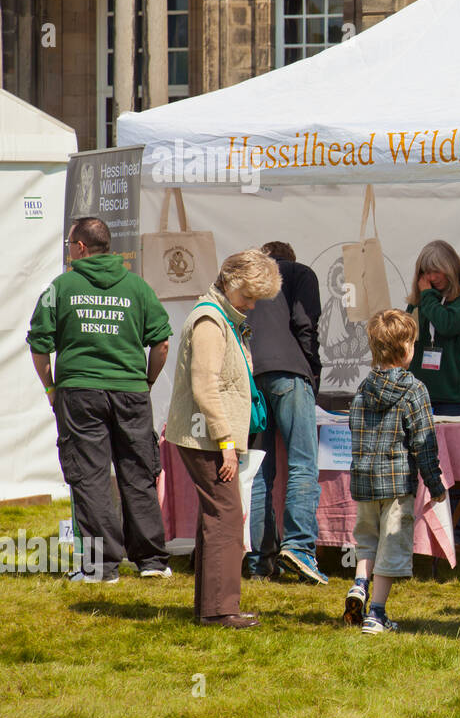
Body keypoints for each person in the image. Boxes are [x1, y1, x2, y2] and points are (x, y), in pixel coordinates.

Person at [27, 217, 173, 583]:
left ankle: (101, 566)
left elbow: (39, 345)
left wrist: (51, 389)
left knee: (89, 476)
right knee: (138, 473)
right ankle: (152, 561)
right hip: (131, 391)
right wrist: (147, 381)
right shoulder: (138, 288)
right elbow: (162, 342)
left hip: (79, 392)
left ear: (79, 247)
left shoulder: (61, 286)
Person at [166, 250, 282, 629]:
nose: (251, 305)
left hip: (207, 435)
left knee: (216, 516)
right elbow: (205, 387)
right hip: (208, 437)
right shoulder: (210, 321)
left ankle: (210, 608)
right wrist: (227, 443)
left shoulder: (220, 317)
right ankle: (220, 610)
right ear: (231, 283)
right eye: (248, 296)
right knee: (226, 517)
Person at [345, 309, 446, 634]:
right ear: (405, 349)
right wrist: (435, 482)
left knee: (367, 540)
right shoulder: (414, 390)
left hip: (363, 480)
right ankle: (376, 613)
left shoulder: (362, 389)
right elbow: (424, 443)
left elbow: (354, 431)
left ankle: (359, 583)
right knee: (391, 545)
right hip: (398, 483)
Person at [244, 240, 326, 584]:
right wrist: (312, 374)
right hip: (290, 374)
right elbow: (306, 326)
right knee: (303, 463)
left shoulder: (247, 284)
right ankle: (300, 547)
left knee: (260, 471)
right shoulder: (298, 272)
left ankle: (259, 559)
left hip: (250, 376)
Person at [405, 240, 460, 546]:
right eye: (425, 271)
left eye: (436, 270)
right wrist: (421, 301)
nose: (431, 277)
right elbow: (407, 339)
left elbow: (448, 324)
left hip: (455, 396)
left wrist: (427, 298)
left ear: (450, 268)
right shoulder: (421, 302)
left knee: (456, 469)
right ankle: (422, 534)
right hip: (421, 395)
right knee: (419, 466)